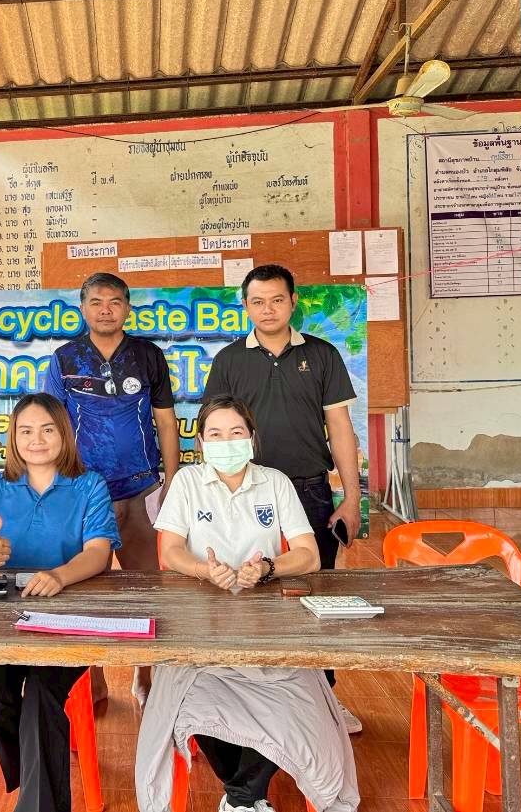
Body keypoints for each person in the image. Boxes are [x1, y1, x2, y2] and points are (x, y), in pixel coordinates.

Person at [135, 396, 359, 812]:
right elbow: (170, 551)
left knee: (294, 702)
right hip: (200, 621)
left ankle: (240, 798)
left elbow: (309, 554)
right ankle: (245, 796)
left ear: (252, 438)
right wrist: (204, 570)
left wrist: (269, 568)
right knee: (196, 701)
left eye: (236, 432)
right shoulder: (186, 482)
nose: (227, 442)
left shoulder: (274, 482)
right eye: (215, 434)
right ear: (201, 442)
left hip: (269, 624)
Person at [201, 263, 364, 733]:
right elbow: (215, 432)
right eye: (257, 301)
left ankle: (324, 700)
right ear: (245, 306)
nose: (267, 309)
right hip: (246, 494)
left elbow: (340, 429)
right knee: (246, 588)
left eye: (277, 300)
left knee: (315, 593)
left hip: (309, 489)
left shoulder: (322, 354)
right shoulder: (229, 360)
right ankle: (247, 701)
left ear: (293, 302)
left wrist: (351, 498)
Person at [0, 393, 120, 812]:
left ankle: (36, 800)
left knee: (42, 699)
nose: (37, 440)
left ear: (64, 434)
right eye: (26, 431)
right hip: (6, 620)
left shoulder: (89, 485)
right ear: (14, 438)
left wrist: (60, 576)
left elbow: (98, 553)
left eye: (47, 430)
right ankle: (32, 771)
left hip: (70, 618)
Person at [44, 272, 179, 704]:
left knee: (146, 587)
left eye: (115, 302)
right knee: (86, 587)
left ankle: (144, 675)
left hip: (141, 487)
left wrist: (172, 480)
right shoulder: (64, 359)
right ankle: (94, 676)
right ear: (83, 308)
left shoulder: (147, 355)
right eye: (97, 302)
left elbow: (165, 422)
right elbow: (52, 426)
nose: (106, 310)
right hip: (84, 492)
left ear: (127, 308)